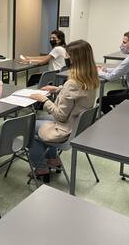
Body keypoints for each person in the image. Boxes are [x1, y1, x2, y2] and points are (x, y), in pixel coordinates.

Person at [28, 40, 99, 182]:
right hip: (76, 126)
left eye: (68, 55)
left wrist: (44, 100)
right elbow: (78, 94)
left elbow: (60, 116)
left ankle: (41, 168)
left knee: (28, 126)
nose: (66, 58)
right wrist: (58, 89)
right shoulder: (91, 77)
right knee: (40, 122)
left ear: (75, 59)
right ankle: (53, 160)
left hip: (65, 128)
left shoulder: (72, 83)